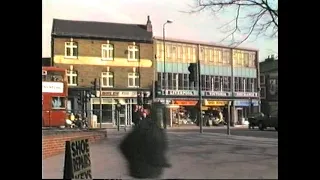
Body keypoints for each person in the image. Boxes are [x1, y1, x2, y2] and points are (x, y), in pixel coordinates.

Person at [119, 108, 171, 179]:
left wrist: (133, 160)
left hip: (139, 170)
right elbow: (161, 148)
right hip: (153, 170)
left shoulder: (140, 127)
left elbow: (124, 145)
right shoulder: (156, 130)